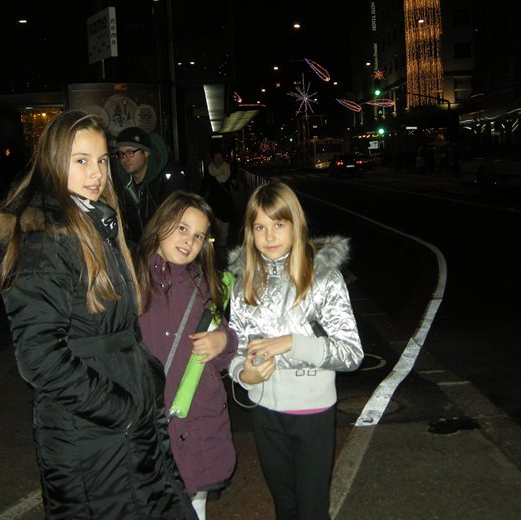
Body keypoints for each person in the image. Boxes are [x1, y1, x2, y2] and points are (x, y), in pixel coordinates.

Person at [0, 110, 196, 519]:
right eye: (81, 160)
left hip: (125, 425)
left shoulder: (95, 221)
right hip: (91, 433)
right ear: (52, 161)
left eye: (102, 160)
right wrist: (121, 409)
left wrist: (143, 382)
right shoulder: (43, 238)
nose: (96, 173)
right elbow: (39, 357)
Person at [226, 180, 364, 520]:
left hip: (312, 412)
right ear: (250, 232)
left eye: (278, 224)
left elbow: (351, 352)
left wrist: (292, 343)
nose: (269, 236)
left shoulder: (323, 277)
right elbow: (237, 346)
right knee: (284, 507)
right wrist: (243, 373)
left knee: (312, 510)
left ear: (295, 225)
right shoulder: (245, 280)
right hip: (264, 411)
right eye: (260, 227)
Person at [135, 191, 238, 520]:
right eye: (182, 228)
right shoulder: (131, 279)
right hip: (148, 421)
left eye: (198, 236)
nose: (189, 241)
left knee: (195, 507)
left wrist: (223, 342)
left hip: (197, 418)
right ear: (161, 224)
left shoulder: (207, 286)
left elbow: (224, 346)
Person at [111, 126, 188, 248]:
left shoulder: (169, 179)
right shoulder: (120, 181)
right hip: (134, 249)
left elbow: (175, 221)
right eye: (121, 154)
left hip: (162, 248)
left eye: (130, 153)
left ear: (146, 152)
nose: (124, 159)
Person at [202, 151, 234, 252]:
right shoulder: (209, 171)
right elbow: (204, 185)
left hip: (226, 202)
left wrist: (235, 183)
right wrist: (200, 196)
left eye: (220, 158)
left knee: (225, 225)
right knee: (216, 225)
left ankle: (223, 244)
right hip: (214, 202)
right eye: (216, 158)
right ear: (213, 159)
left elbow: (235, 184)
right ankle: (214, 244)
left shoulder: (228, 169)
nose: (218, 160)